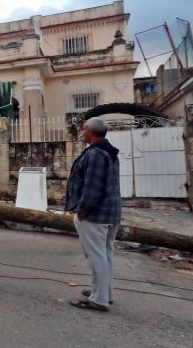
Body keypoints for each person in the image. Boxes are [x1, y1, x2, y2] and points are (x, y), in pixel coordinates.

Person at [65, 117, 121, 312]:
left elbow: (92, 188)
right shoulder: (109, 152)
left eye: (83, 130)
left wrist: (82, 212)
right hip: (110, 213)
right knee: (104, 254)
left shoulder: (96, 154)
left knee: (96, 255)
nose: (82, 133)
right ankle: (104, 293)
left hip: (95, 215)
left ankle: (99, 300)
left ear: (91, 131)